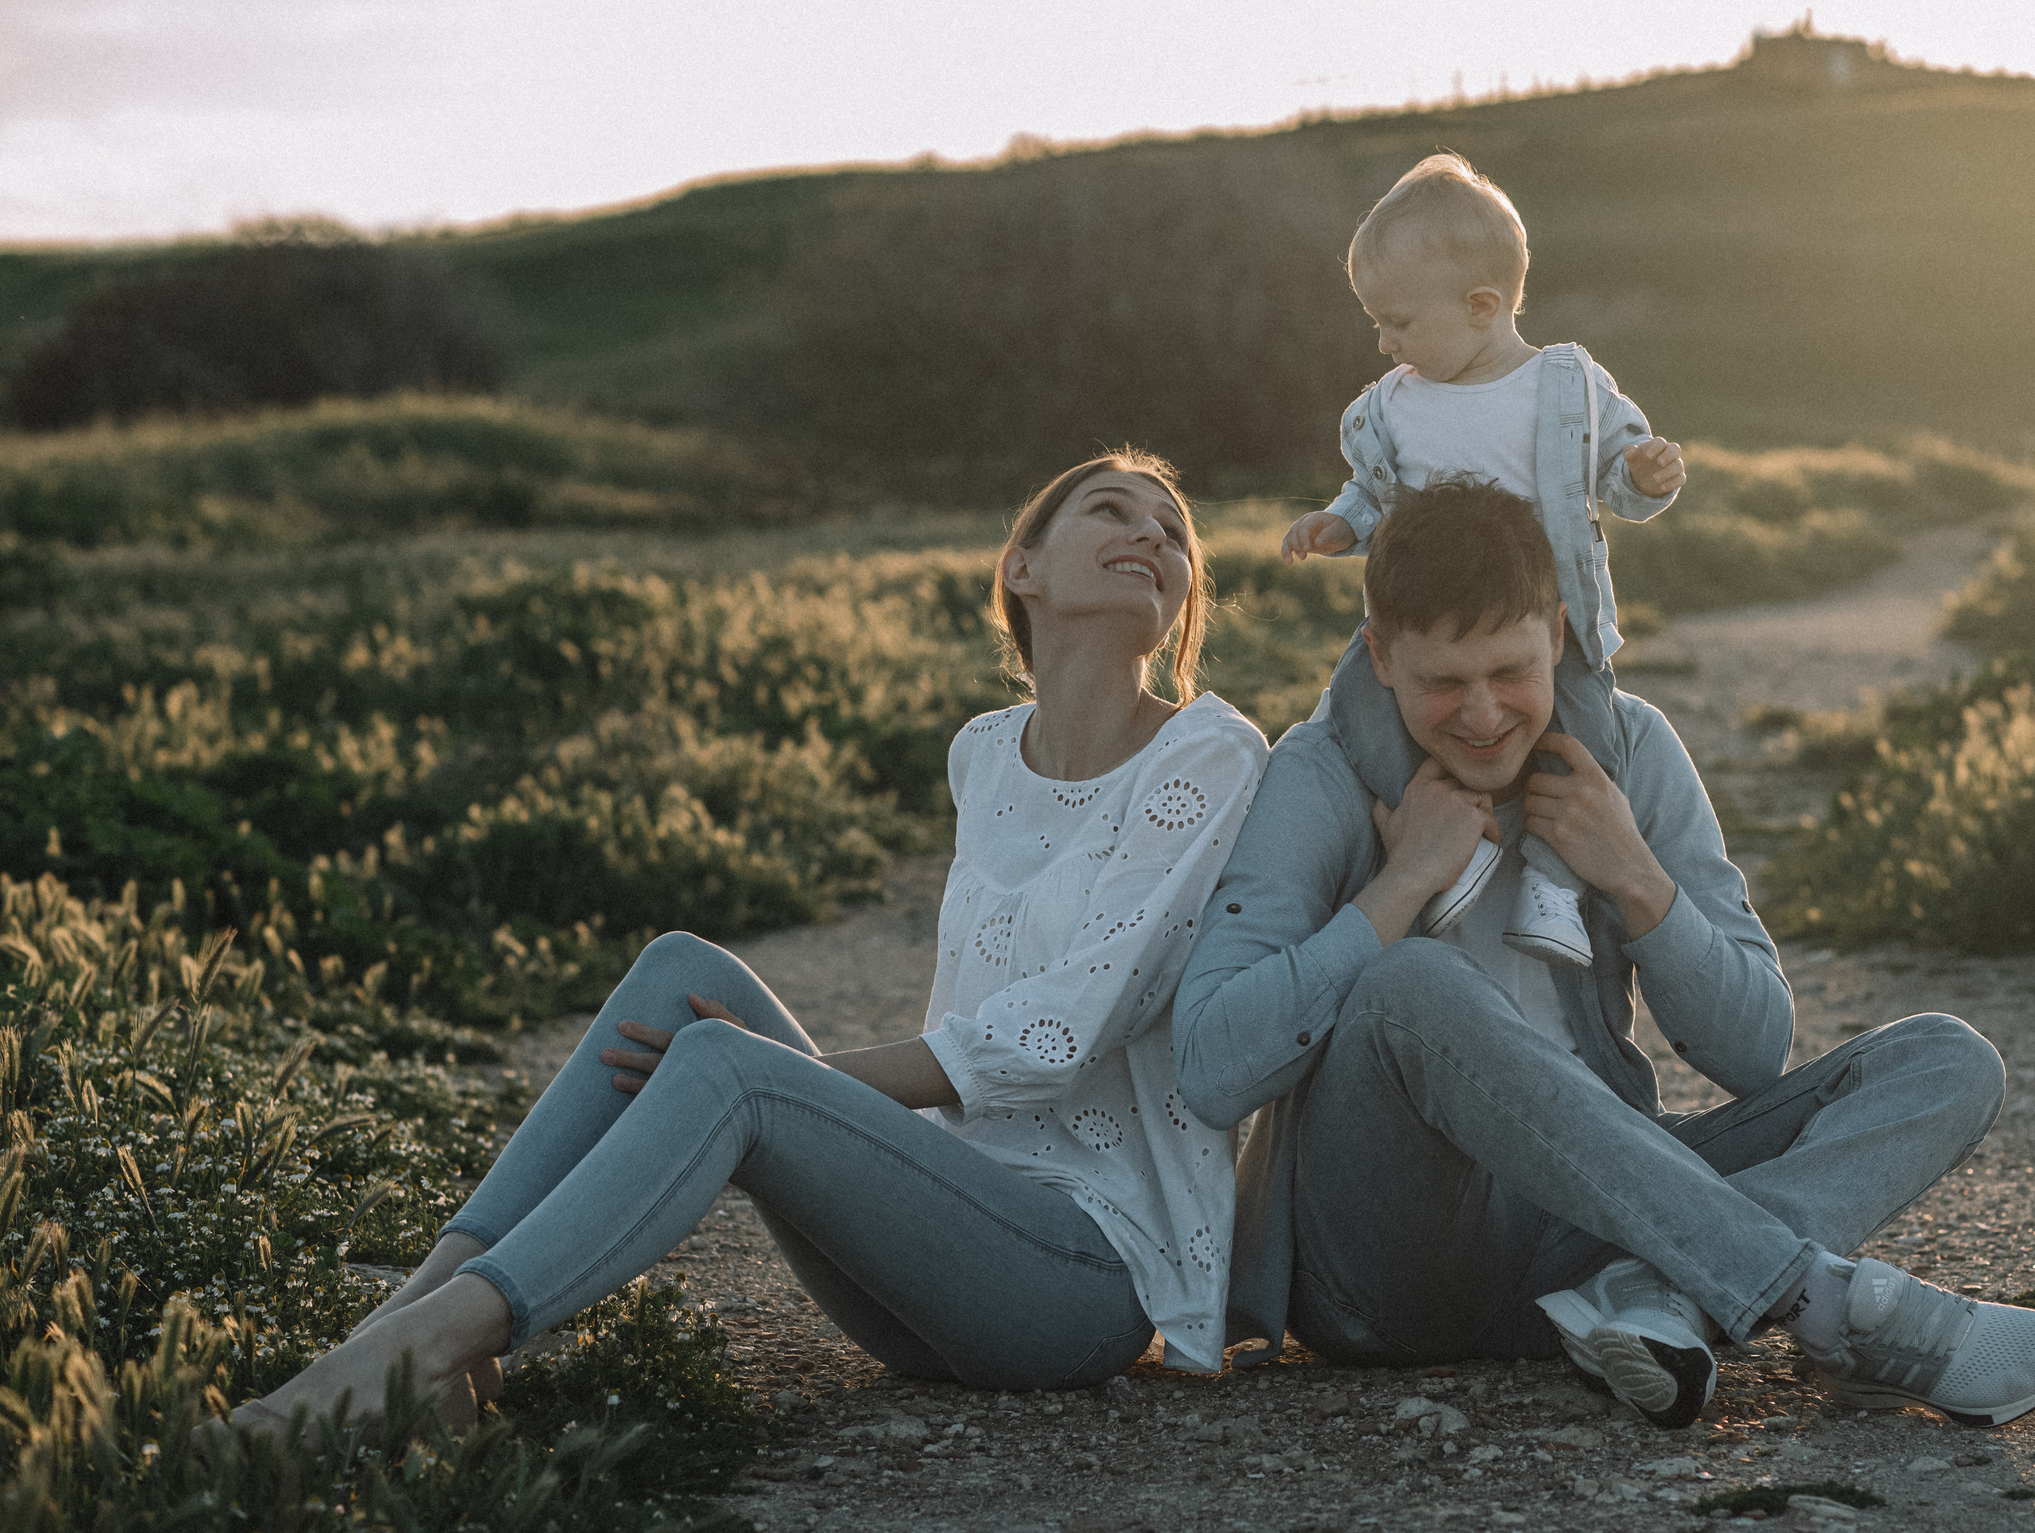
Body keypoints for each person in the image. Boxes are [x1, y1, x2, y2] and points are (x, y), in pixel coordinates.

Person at [221, 451, 1269, 1443]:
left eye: (1173, 531)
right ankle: (405, 1327)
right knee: (683, 969)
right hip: (927, 1245)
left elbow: (1058, 1029)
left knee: (729, 1064)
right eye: (1111, 509)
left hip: (1076, 1281)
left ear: (1179, 596)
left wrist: (793, 1082)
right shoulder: (985, 753)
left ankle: (412, 1354)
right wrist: (793, 1090)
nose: (1151, 532)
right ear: (1021, 567)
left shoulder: (1208, 750)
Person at [1178, 479, 2035, 1430]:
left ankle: (1655, 1295)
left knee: (1946, 1058)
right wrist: (1400, 887)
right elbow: (1209, 1064)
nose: (1483, 714)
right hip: (1385, 1280)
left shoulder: (1631, 751)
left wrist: (1638, 880)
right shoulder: (1318, 772)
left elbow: (1752, 1052)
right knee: (1410, 983)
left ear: (1560, 634)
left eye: (1510, 671)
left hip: (1584, 1234)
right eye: (1444, 682)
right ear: (1380, 657)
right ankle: (1805, 1292)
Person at [1278, 152, 1687, 973]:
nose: (1386, 341)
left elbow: (1617, 469)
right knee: (1360, 712)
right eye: (1378, 325)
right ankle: (1441, 847)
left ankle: (1552, 880)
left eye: (1397, 320)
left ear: (1482, 306)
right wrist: (1339, 524)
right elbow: (1371, 491)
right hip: (1424, 618)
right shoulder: (1392, 405)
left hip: (1545, 618)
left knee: (1592, 739)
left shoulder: (1565, 386)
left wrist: (1643, 477)